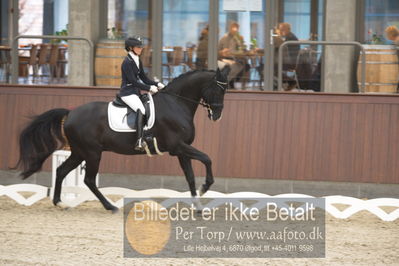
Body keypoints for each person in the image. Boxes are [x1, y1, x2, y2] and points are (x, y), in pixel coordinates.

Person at [118, 36, 165, 151]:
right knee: (142, 110)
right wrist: (149, 88)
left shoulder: (137, 60)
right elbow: (133, 81)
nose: (141, 49)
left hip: (135, 92)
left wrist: (156, 84)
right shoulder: (127, 62)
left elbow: (143, 78)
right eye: (138, 47)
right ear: (130, 48)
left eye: (141, 47)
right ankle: (139, 140)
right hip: (127, 92)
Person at [218, 22, 248, 89]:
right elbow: (217, 51)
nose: (235, 30)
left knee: (246, 65)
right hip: (226, 58)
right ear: (230, 28)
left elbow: (243, 49)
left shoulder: (239, 38)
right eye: (233, 28)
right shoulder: (224, 38)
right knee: (236, 66)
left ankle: (232, 82)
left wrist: (242, 42)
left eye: (236, 28)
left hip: (236, 57)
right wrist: (222, 52)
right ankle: (229, 82)